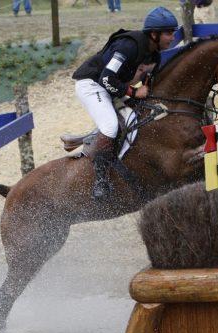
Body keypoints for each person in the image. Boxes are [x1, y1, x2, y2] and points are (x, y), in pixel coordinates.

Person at [72, 6, 178, 199]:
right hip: (92, 85)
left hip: (112, 87)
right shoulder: (128, 46)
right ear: (154, 34)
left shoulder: (155, 55)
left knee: (139, 117)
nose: (172, 37)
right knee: (110, 125)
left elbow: (148, 84)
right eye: (169, 33)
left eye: (173, 33)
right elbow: (106, 78)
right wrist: (134, 92)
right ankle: (101, 180)